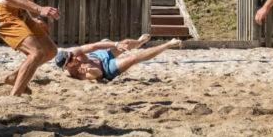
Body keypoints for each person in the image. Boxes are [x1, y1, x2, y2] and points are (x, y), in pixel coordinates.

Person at [54, 34, 182, 82]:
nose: (73, 58)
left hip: (100, 55)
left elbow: (95, 46)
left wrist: (116, 44)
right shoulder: (75, 73)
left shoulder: (75, 53)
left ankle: (138, 42)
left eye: (71, 55)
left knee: (124, 43)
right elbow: (98, 76)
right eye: (70, 60)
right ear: (67, 67)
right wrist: (89, 71)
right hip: (106, 69)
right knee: (133, 58)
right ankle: (168, 44)